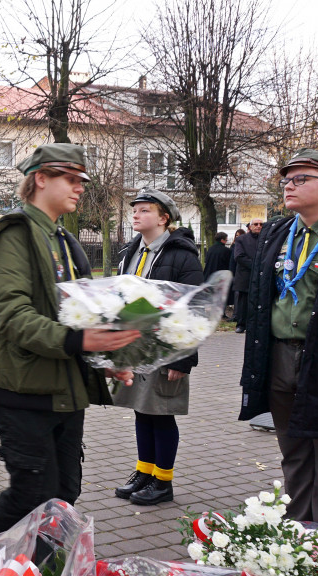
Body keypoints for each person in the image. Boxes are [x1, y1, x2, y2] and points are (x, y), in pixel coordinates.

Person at [0, 143, 139, 544]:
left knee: (63, 496)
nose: (79, 188)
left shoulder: (63, 240)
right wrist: (81, 339)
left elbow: (77, 315)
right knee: (31, 492)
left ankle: (38, 566)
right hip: (19, 385)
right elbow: (12, 316)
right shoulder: (12, 237)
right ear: (41, 179)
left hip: (63, 385)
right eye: (70, 179)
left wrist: (102, 357)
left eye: (80, 181)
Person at [239, 149, 318, 524]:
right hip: (280, 353)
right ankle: (297, 528)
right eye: (286, 180)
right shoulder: (278, 232)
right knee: (292, 449)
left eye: (301, 179)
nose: (289, 186)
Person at [111, 189, 203, 506]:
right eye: (134, 209)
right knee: (142, 410)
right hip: (136, 347)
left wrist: (185, 358)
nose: (136, 214)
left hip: (167, 349)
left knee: (162, 413)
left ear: (164, 217)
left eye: (145, 210)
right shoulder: (131, 251)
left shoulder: (182, 255)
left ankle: (163, 481)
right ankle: (144, 472)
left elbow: (195, 307)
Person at [232, 218, 263, 333]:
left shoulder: (266, 239)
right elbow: (239, 256)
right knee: (243, 301)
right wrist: (256, 266)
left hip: (260, 275)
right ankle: (241, 324)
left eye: (261, 224)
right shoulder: (241, 239)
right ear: (250, 226)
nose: (258, 226)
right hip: (245, 275)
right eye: (256, 224)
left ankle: (255, 324)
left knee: (258, 301)